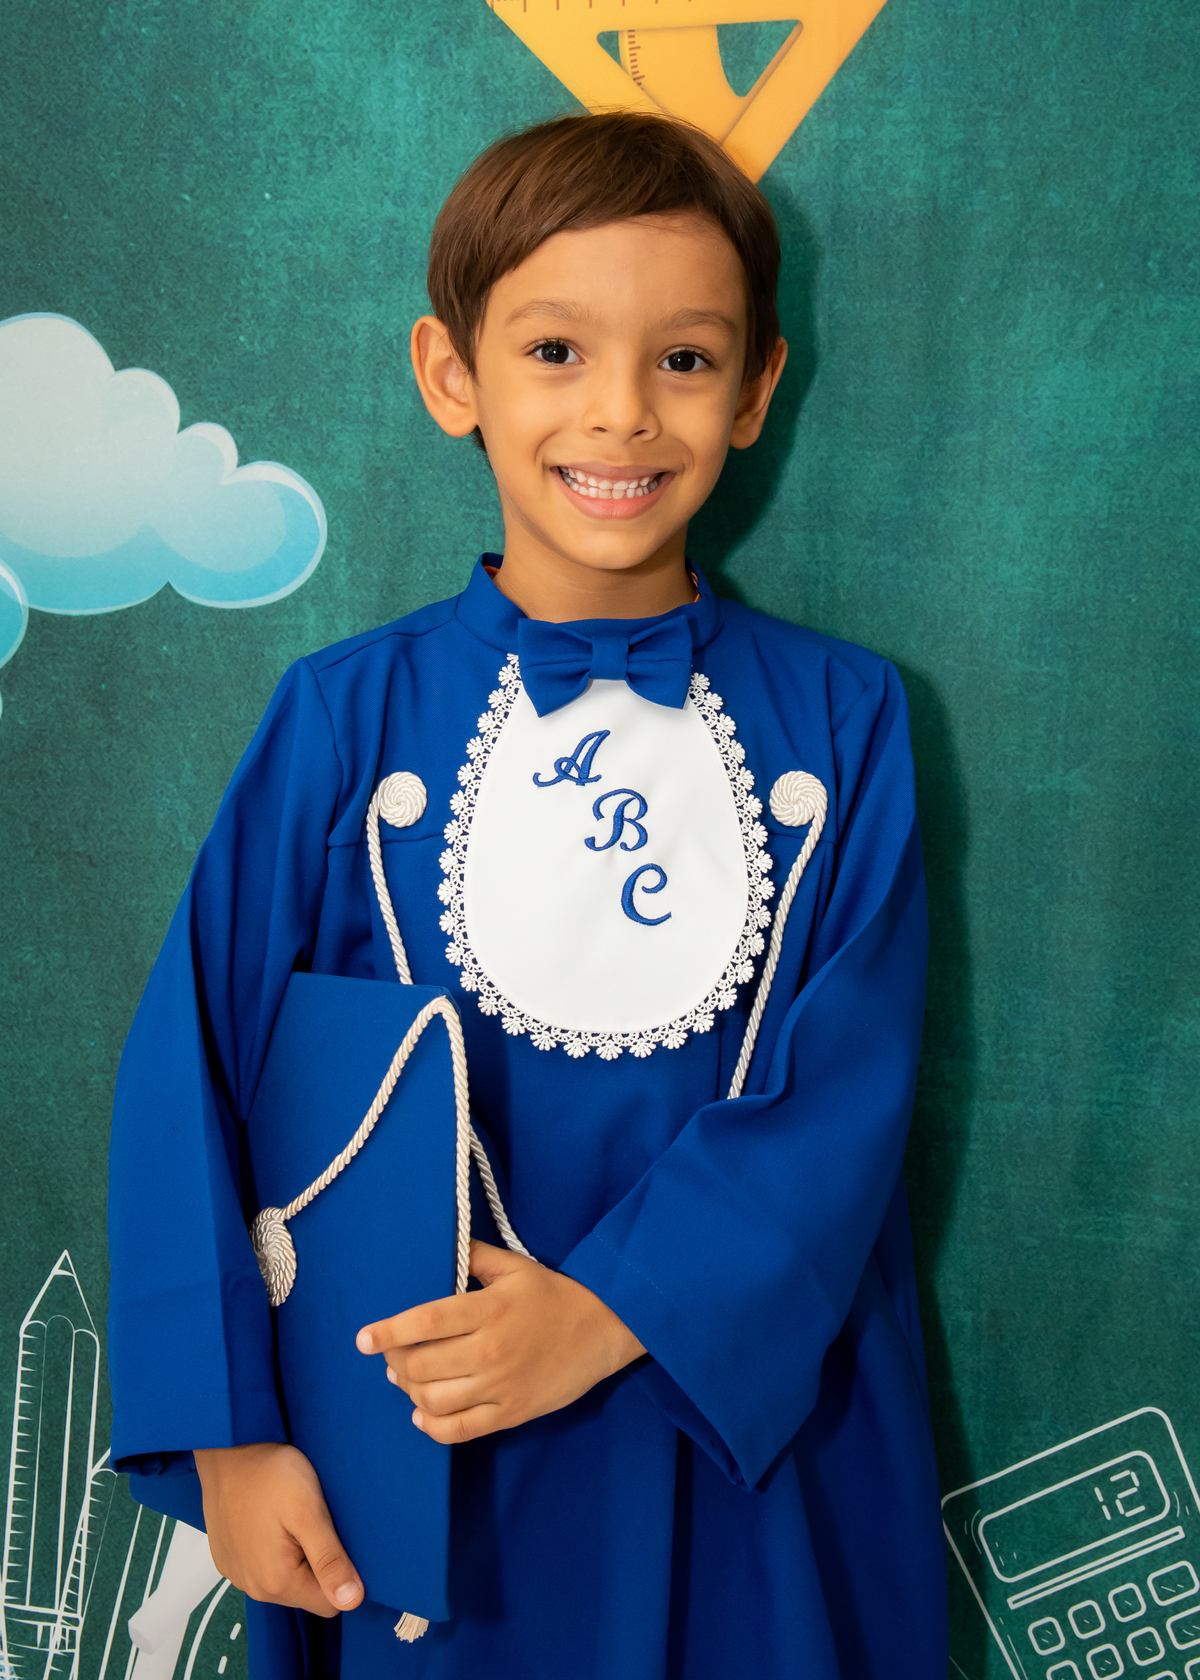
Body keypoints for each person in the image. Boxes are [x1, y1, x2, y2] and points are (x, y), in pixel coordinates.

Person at [108, 111, 949, 1679]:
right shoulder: (342, 718)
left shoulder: (847, 719)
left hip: (744, 1423)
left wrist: (614, 1310)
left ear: (756, 388)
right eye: (556, 351)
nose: (620, 412)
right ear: (453, 375)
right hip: (416, 1430)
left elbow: (848, 1083)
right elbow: (190, 1070)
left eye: (684, 359)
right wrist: (228, 1437)